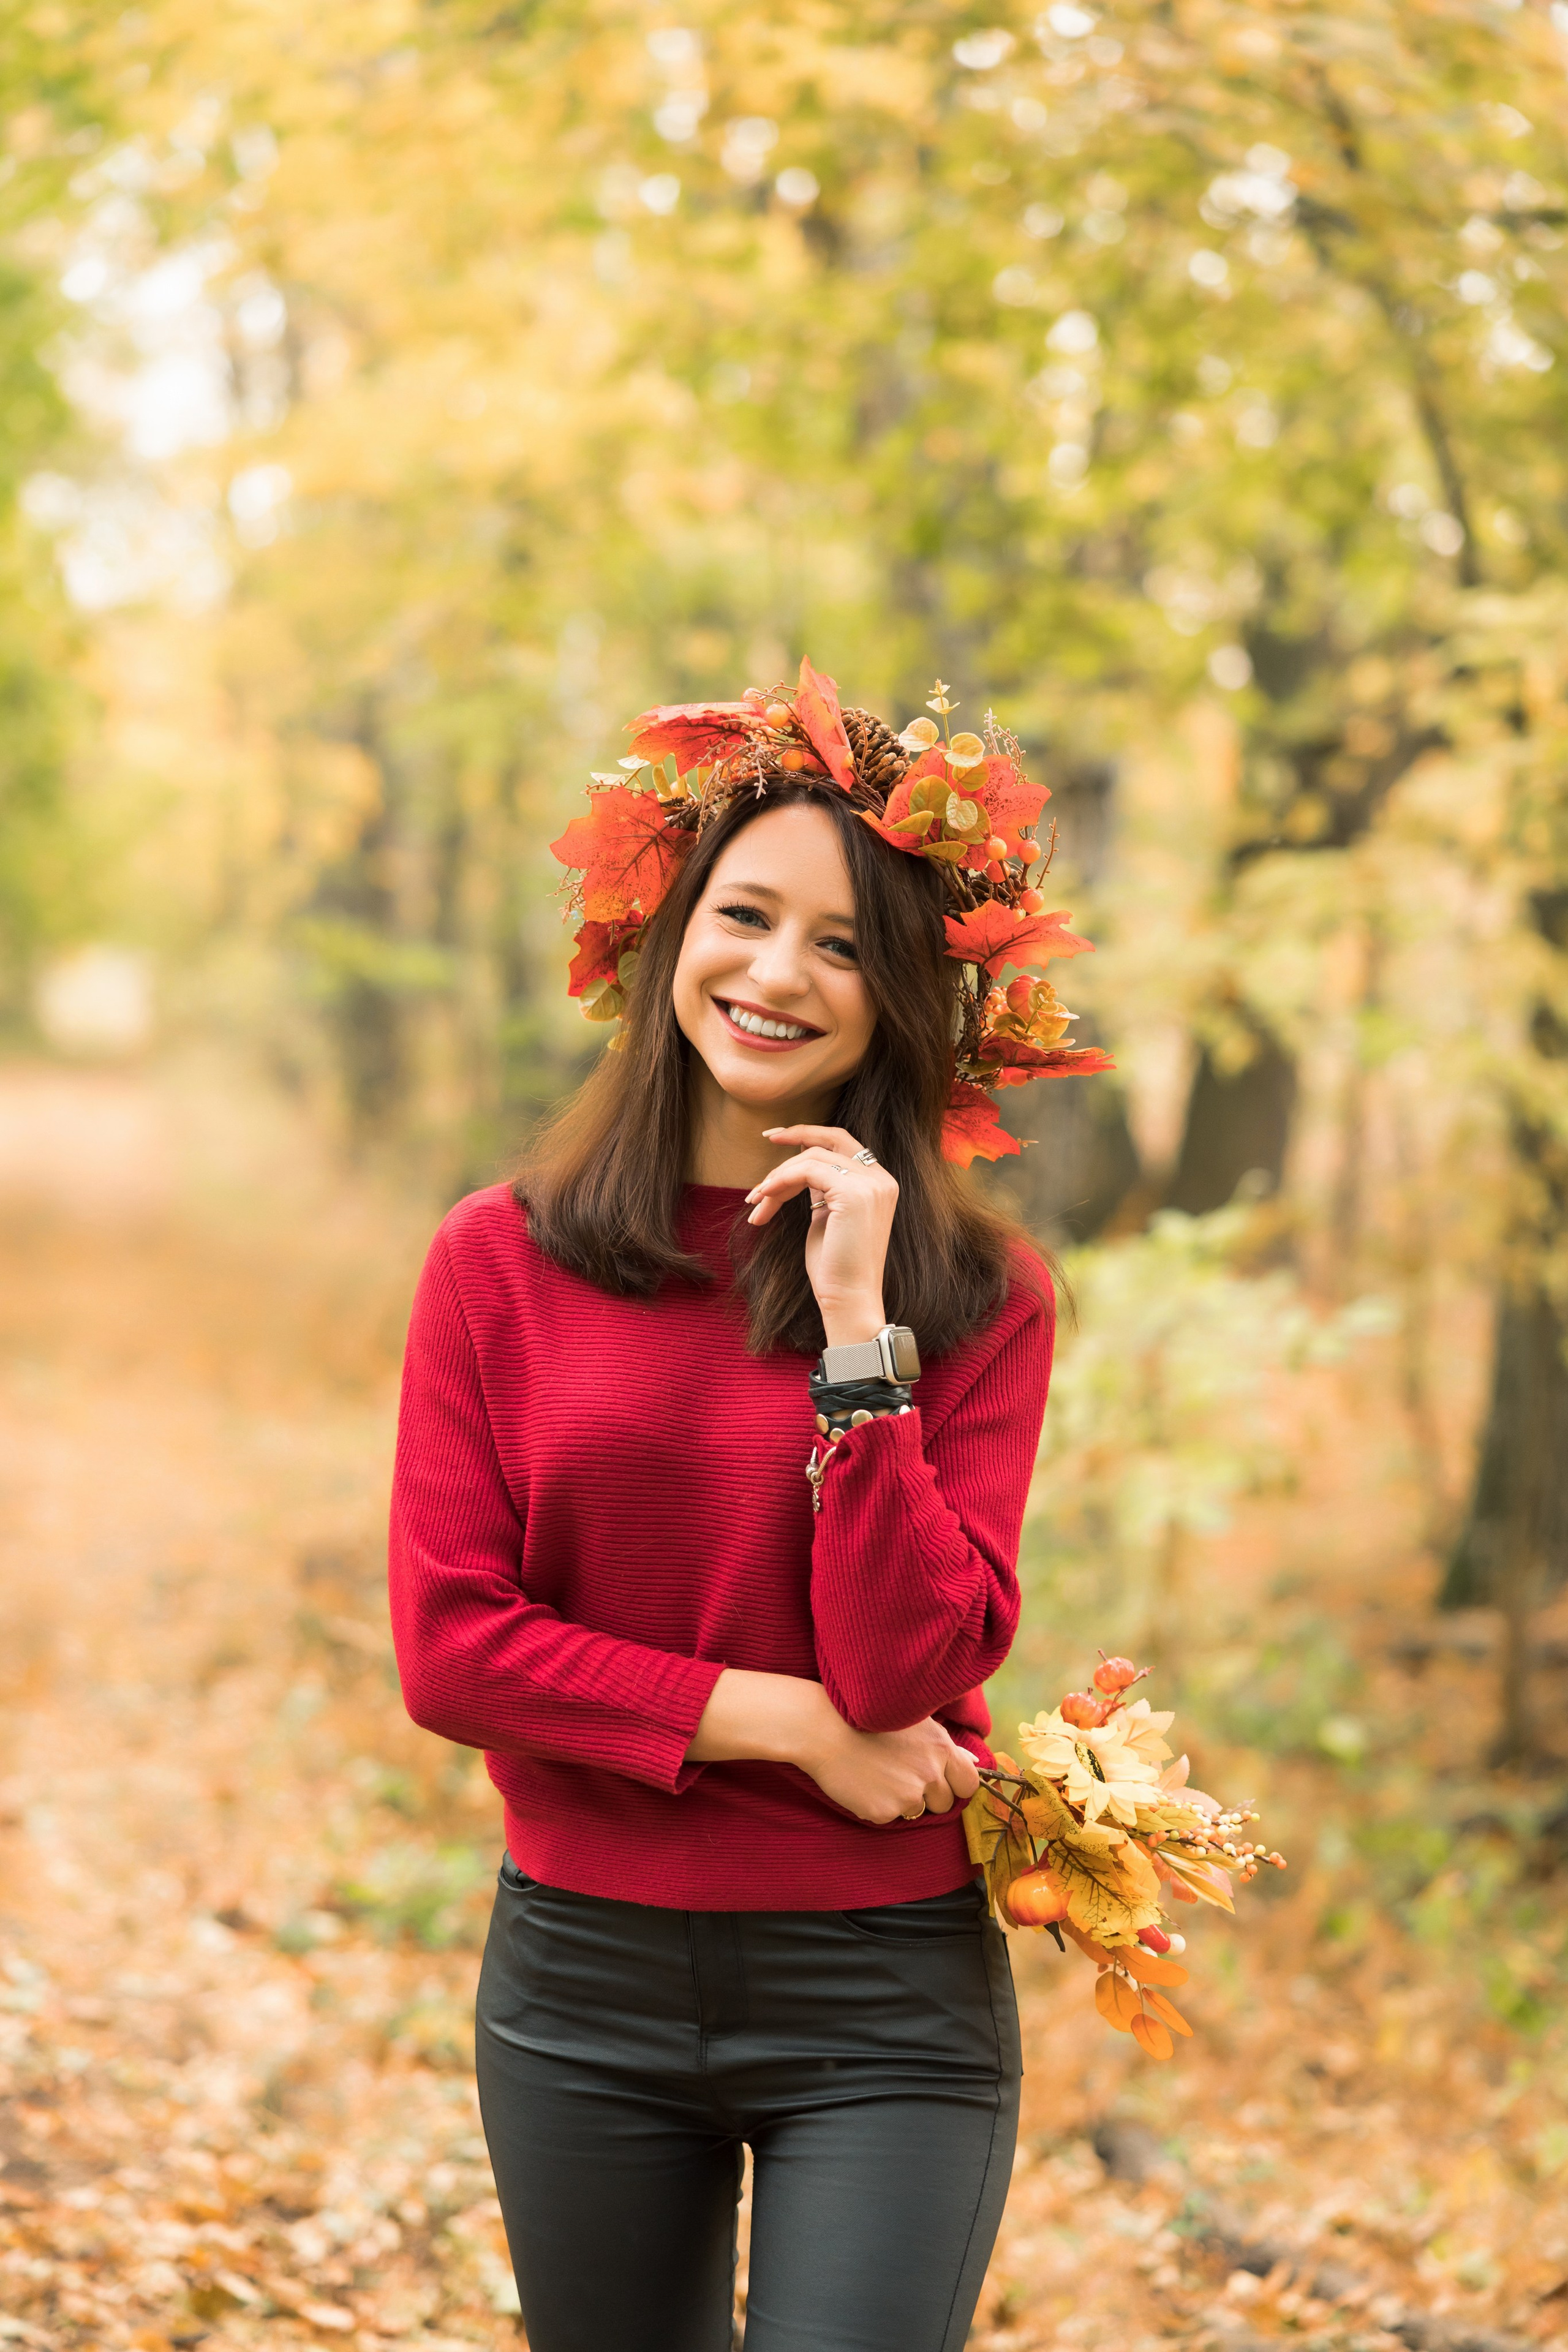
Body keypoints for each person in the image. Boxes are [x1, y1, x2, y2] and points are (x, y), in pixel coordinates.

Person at [388, 663, 1108, 2352]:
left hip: (882, 1993)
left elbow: (907, 1665)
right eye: (748, 915)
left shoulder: (980, 1295)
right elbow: (453, 1651)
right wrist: (775, 1722)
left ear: (909, 996)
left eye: (846, 943)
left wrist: (864, 1343)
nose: (779, 973)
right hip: (584, 1982)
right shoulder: (499, 1259)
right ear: (668, 933)